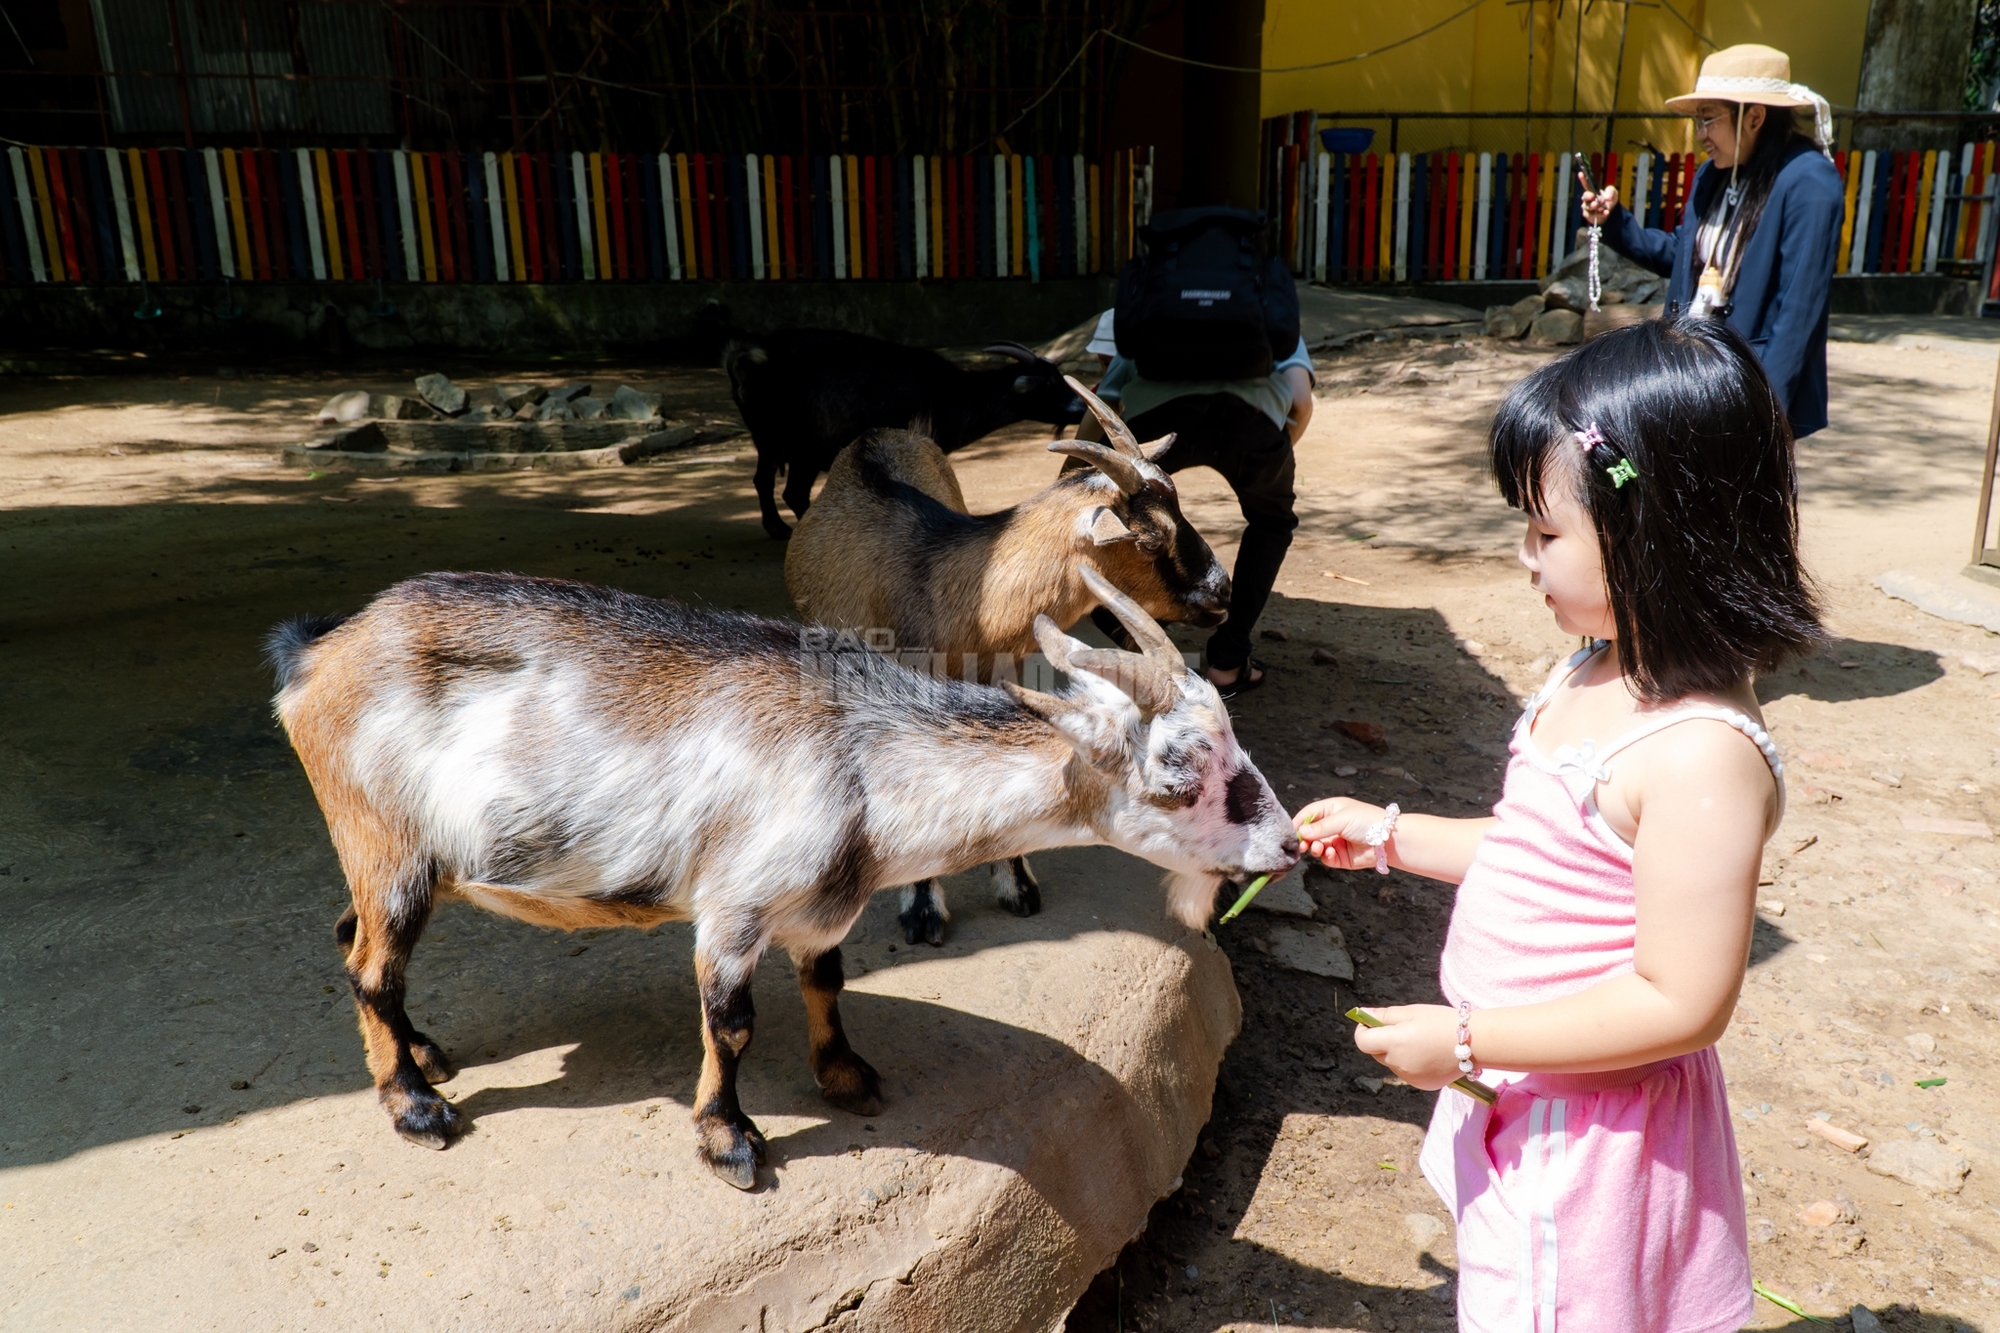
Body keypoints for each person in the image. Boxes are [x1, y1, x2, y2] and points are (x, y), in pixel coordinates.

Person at [1292, 316, 1823, 1331]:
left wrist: (1467, 1039)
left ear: (1648, 531)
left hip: (1589, 1142)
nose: (1523, 557)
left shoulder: (1697, 754)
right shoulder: (1592, 665)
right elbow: (1539, 855)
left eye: (1544, 533)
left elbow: (1681, 1001)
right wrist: (1391, 834)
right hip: (1520, 1091)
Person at [1579, 44, 1843, 436]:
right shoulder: (1713, 174)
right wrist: (1614, 221)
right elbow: (1683, 255)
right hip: (1691, 372)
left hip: (1749, 382)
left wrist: (1766, 412)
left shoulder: (1808, 180)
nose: (1700, 134)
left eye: (1708, 119)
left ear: (1754, 117)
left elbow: (1799, 308)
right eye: (1698, 121)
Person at [1081, 308, 1315, 698]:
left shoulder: (1160, 299)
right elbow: (1301, 400)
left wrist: (1075, 476)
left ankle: (1119, 633)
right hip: (1252, 421)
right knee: (1271, 522)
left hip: (1156, 419)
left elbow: (1104, 400)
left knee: (1122, 512)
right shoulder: (1263, 302)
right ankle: (1229, 661)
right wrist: (1271, 458)